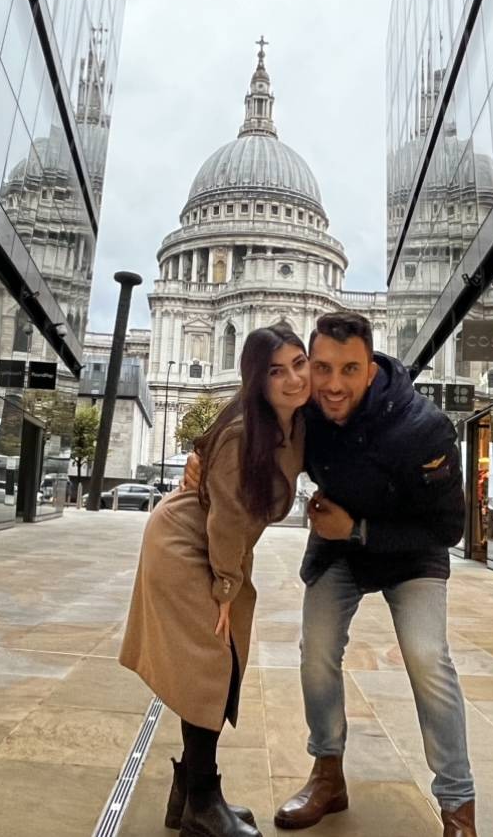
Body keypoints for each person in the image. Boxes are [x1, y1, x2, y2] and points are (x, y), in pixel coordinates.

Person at [187, 311, 476, 836]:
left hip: (411, 554)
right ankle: (328, 774)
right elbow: (254, 412)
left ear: (372, 368)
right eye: (321, 368)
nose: (333, 385)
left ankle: (458, 806)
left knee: (427, 657)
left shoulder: (424, 427)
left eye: (349, 370)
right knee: (316, 651)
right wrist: (204, 449)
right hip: (337, 551)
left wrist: (358, 529)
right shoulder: (308, 412)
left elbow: (449, 527)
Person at [119, 324, 310, 837]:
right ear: (258, 380)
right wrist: (226, 587)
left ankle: (189, 796)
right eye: (277, 371)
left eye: (299, 364)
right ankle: (202, 801)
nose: (294, 379)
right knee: (211, 663)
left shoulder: (298, 423)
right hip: (186, 542)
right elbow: (226, 517)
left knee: (217, 663)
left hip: (217, 545)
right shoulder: (245, 431)